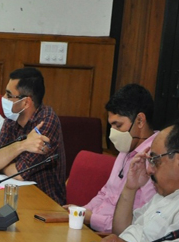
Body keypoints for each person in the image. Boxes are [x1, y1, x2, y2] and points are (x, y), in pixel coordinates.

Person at [65, 84, 158, 233]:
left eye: (118, 126)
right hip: (94, 228)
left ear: (140, 121)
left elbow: (136, 224)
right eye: (111, 126)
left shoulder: (154, 158)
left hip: (112, 236)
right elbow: (105, 193)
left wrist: (91, 218)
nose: (112, 134)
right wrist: (80, 212)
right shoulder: (126, 148)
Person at [95, 121, 179, 242]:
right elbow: (120, 231)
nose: (149, 170)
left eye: (155, 160)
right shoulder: (162, 195)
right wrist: (130, 187)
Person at [0, 67, 67, 205]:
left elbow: (20, 173)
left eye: (9, 94)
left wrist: (3, 165)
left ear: (26, 102)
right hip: (16, 198)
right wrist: (22, 145)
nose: (3, 98)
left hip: (45, 204)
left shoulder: (46, 121)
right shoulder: (11, 120)